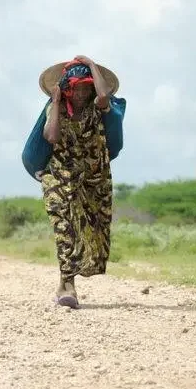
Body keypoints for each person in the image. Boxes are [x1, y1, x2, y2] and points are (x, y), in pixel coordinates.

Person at [41, 55, 119, 309]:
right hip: (60, 177)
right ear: (67, 88)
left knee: (91, 229)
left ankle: (64, 283)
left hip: (93, 178)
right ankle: (69, 285)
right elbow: (52, 137)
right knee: (65, 226)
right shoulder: (55, 109)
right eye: (77, 87)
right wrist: (55, 102)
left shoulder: (97, 107)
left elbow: (105, 97)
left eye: (87, 87)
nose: (83, 93)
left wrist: (94, 66)